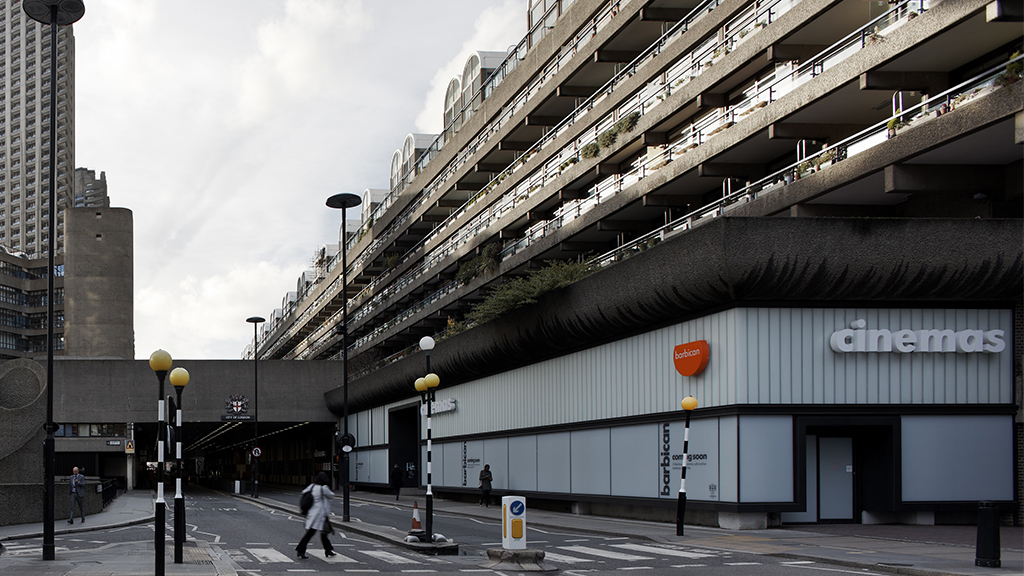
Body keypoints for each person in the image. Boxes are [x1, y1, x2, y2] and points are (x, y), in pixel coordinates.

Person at [296, 472, 335, 559]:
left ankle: (328, 549)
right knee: (312, 533)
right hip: (320, 515)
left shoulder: (312, 486)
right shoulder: (323, 488)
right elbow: (331, 495)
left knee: (323, 533)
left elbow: (304, 492)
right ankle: (300, 549)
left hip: (313, 513)